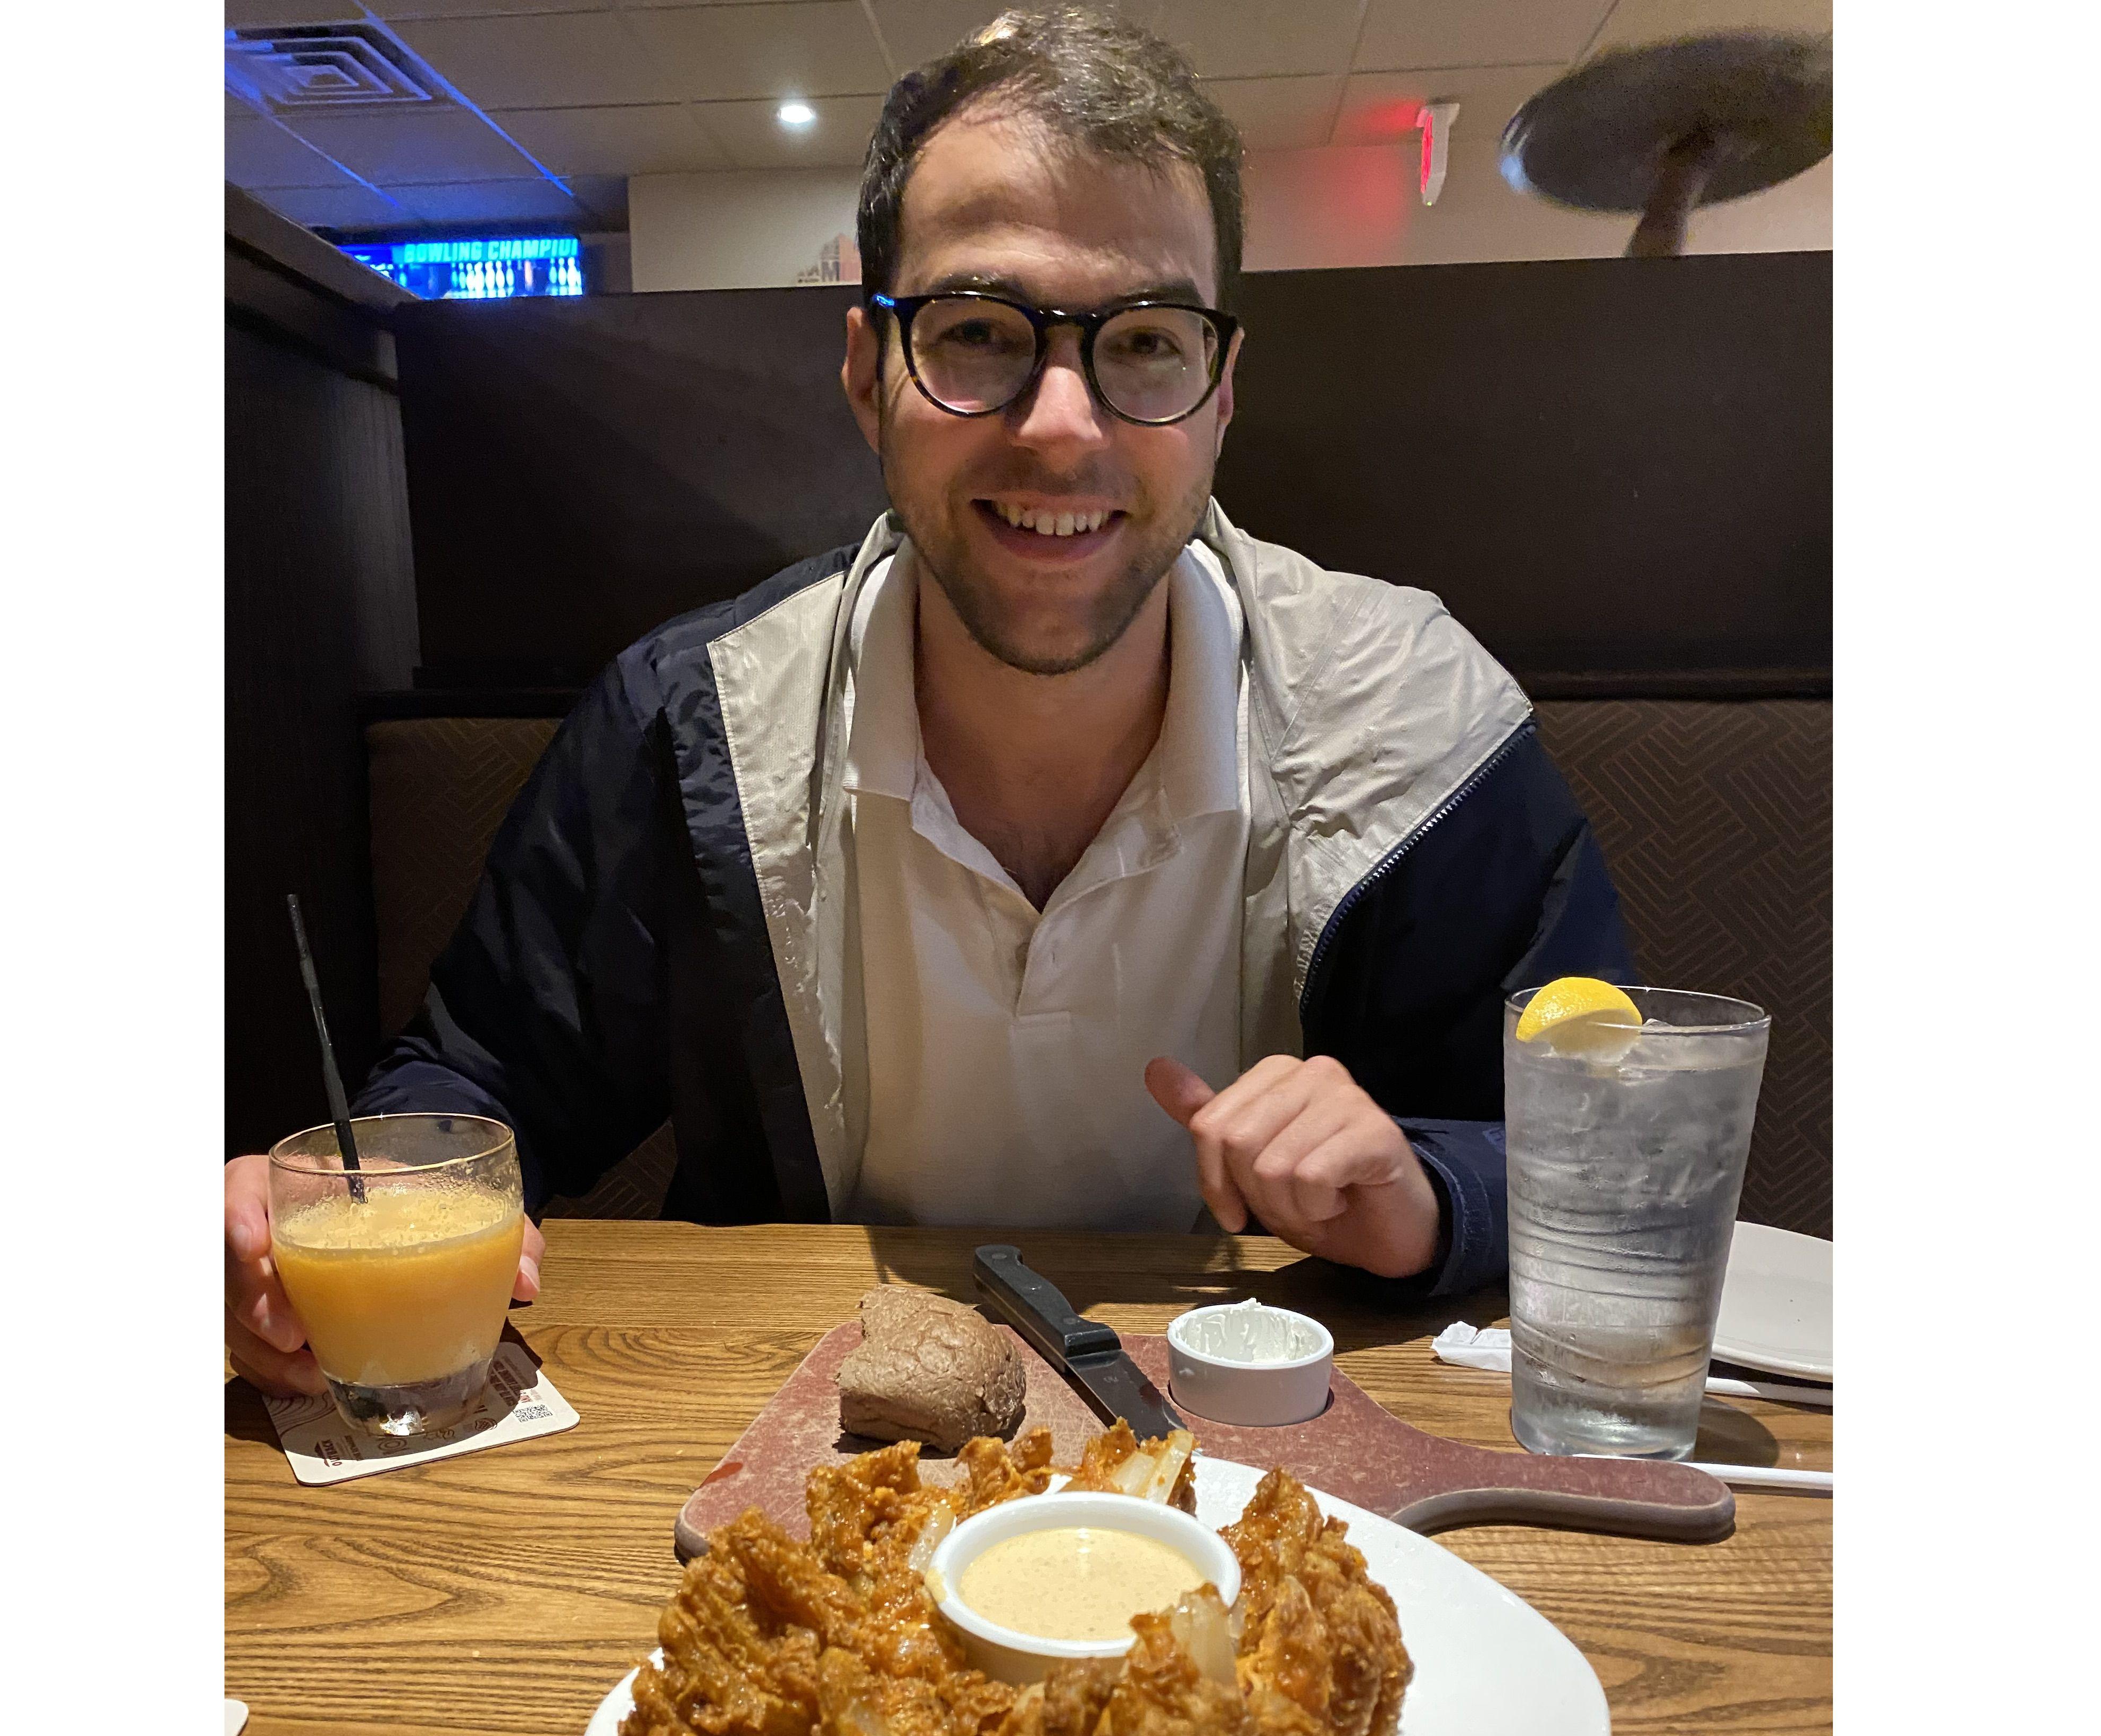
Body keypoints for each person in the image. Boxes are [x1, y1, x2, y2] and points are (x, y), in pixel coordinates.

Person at [226, 7, 1631, 1399]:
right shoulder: (690, 724)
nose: (1062, 425)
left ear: (1219, 397)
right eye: (976, 331)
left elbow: (1609, 1141)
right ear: (866, 373)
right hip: (805, 1467)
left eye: (1145, 341)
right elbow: (473, 1089)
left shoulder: (1418, 729)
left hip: (1262, 1466)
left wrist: (1432, 1191)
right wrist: (302, 1218)